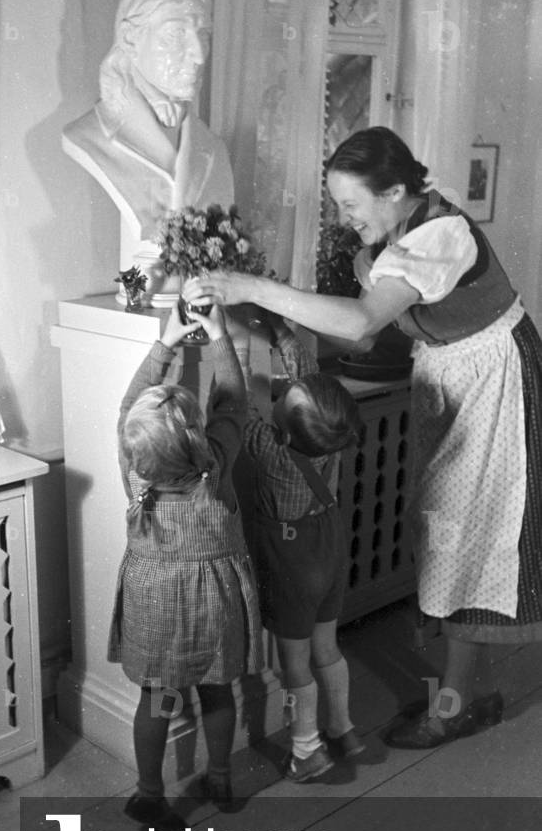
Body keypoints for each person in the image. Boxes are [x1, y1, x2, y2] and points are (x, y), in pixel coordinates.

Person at [184, 126, 542, 749]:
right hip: (450, 371)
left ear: (397, 190)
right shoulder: (395, 238)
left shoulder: (440, 235)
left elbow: (361, 321)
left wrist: (252, 288)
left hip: (494, 379)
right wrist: (270, 319)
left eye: (352, 205)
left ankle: (453, 705)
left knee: (470, 537)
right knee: (444, 527)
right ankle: (454, 697)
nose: (345, 218)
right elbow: (362, 339)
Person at [109, 302, 262, 831]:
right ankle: (219, 776)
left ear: (135, 447)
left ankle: (149, 794)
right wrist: (218, 334)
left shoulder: (136, 476)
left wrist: (165, 343)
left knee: (157, 699)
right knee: (219, 690)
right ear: (199, 440)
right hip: (214, 602)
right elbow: (234, 403)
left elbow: (128, 404)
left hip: (155, 604)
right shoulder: (215, 469)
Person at [230, 309, 364, 780]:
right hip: (327, 546)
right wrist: (280, 330)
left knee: (294, 662)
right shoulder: (333, 435)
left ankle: (307, 748)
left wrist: (235, 343)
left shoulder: (271, 450)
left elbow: (241, 403)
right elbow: (311, 381)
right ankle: (344, 728)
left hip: (291, 560)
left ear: (282, 429)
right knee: (327, 647)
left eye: (284, 395)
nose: (285, 387)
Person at [62, 0, 233, 247]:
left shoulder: (215, 150)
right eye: (177, 33)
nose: (199, 55)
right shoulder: (87, 135)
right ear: (130, 38)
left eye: (204, 34)